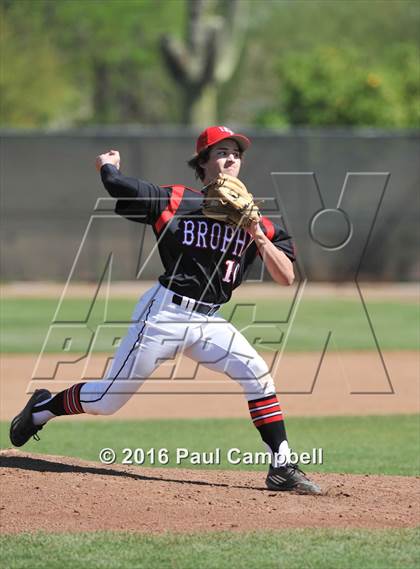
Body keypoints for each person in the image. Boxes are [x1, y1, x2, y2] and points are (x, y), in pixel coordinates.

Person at [10, 126, 321, 494]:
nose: (231, 157)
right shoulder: (176, 200)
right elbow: (123, 188)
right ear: (203, 162)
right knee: (106, 400)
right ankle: (43, 407)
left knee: (257, 374)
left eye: (236, 152)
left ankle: (281, 465)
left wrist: (254, 229)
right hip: (164, 316)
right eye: (221, 152)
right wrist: (107, 167)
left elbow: (286, 277)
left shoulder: (259, 222)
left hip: (209, 321)